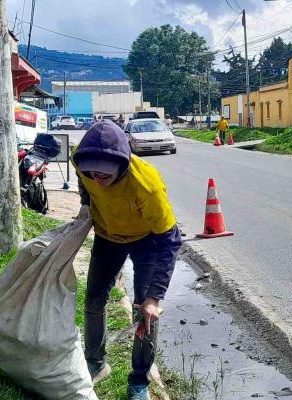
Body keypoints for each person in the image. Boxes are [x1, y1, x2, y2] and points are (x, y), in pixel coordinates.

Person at [72, 120, 182, 400]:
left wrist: (155, 297)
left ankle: (139, 380)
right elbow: (84, 181)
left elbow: (170, 240)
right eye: (91, 172)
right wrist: (86, 203)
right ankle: (96, 362)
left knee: (144, 312)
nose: (97, 177)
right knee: (94, 300)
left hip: (148, 241)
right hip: (108, 237)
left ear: (123, 163)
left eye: (104, 173)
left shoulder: (147, 186)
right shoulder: (82, 163)